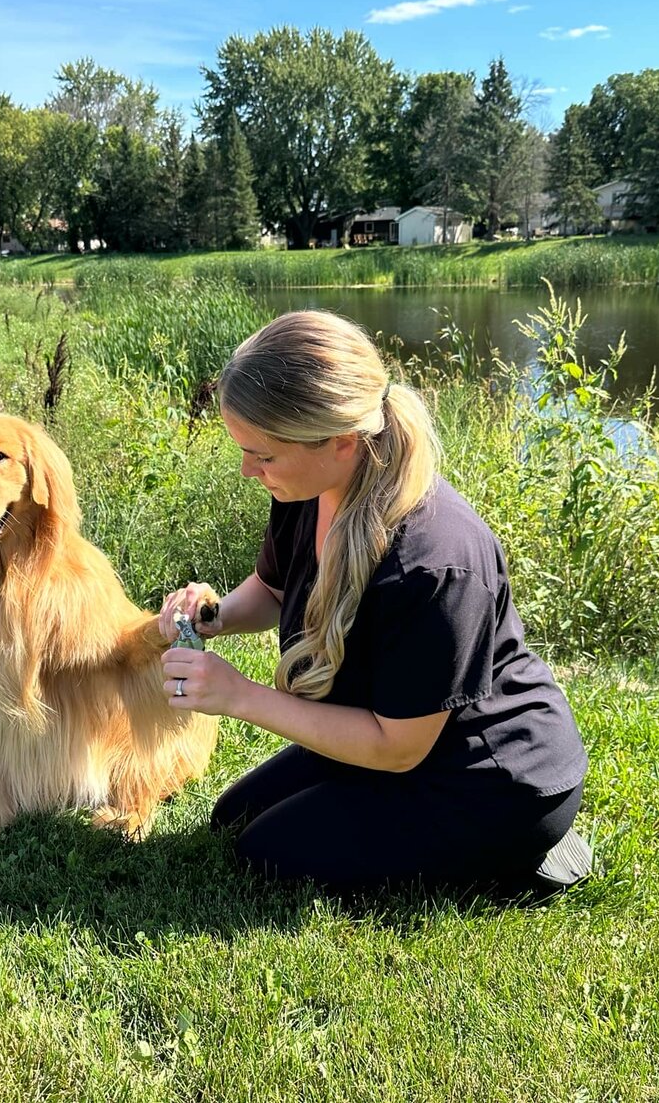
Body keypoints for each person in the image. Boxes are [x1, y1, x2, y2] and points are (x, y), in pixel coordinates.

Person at [158, 310, 591, 892]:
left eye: (262, 454)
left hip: (485, 772)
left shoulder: (434, 561)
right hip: (390, 726)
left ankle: (528, 848)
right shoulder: (306, 488)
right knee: (230, 822)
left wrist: (237, 695)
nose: (247, 470)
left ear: (341, 440)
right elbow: (274, 589)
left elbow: (397, 749)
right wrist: (210, 618)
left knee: (268, 855)